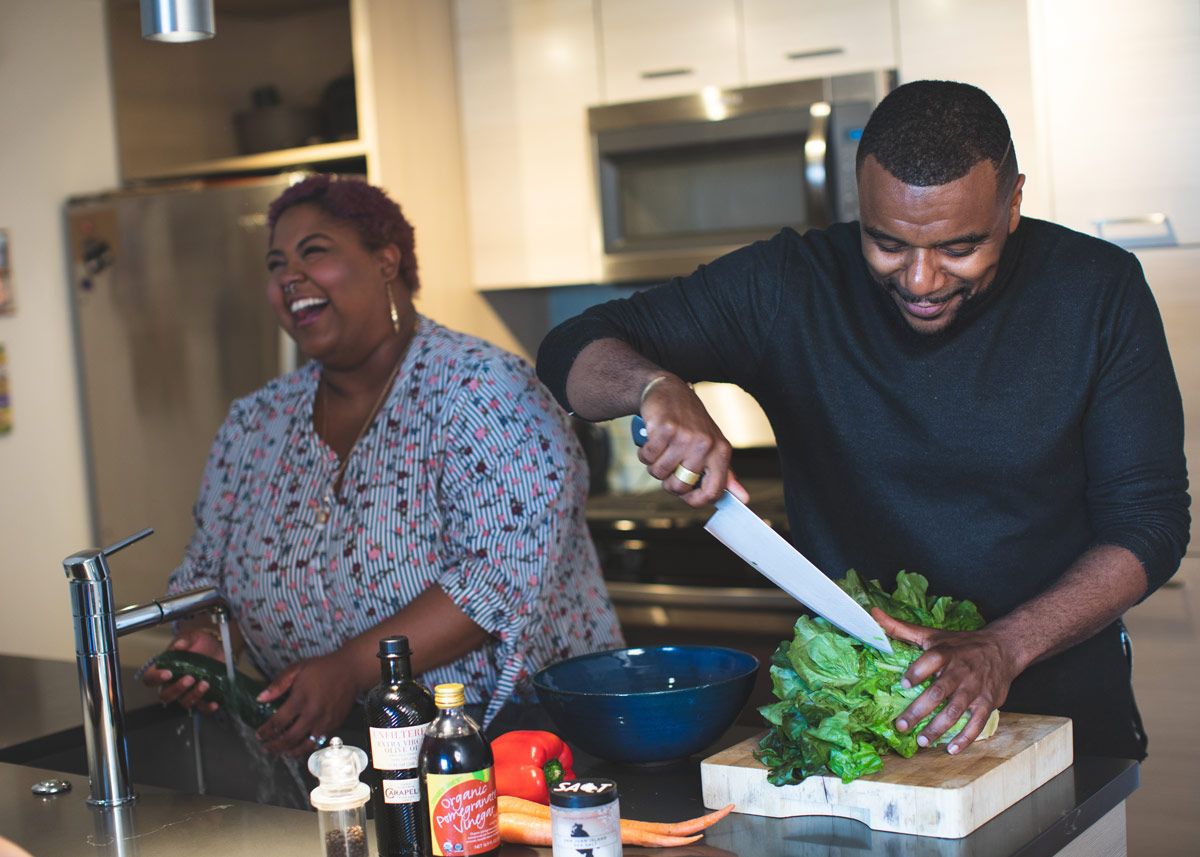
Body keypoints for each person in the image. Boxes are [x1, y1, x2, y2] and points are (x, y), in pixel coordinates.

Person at [536, 80, 1190, 761]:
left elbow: (1150, 522)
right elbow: (569, 348)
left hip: (1064, 717)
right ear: (861, 202)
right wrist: (654, 384)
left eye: (958, 249)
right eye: (888, 244)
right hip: (865, 723)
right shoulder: (790, 284)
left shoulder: (1098, 291)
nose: (920, 280)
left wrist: (1004, 646)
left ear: (1013, 203)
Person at [145, 175, 623, 758]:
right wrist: (208, 640)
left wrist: (349, 669)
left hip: (509, 742)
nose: (288, 276)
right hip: (332, 753)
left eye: (313, 251)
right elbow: (210, 575)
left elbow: (501, 575)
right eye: (276, 264)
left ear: (386, 261)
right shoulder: (255, 423)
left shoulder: (483, 389)